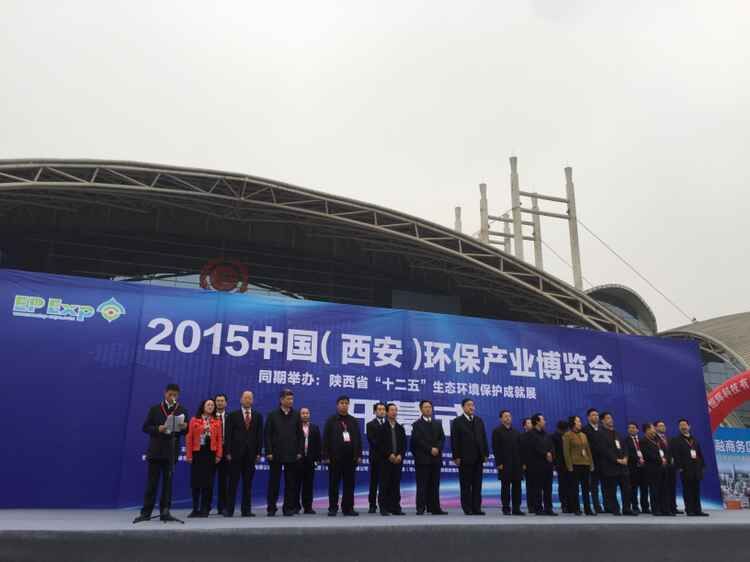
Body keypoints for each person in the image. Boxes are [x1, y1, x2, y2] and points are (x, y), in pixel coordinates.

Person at [133, 383, 188, 523]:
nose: (172, 397)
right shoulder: (155, 409)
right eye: (170, 394)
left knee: (168, 485)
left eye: (175, 395)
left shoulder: (181, 410)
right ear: (165, 393)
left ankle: (165, 512)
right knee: (152, 484)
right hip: (156, 451)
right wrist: (158, 428)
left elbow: (186, 431)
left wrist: (184, 427)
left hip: (171, 452)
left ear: (178, 395)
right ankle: (146, 512)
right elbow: (145, 427)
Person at [224, 390, 263, 517]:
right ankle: (229, 510)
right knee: (232, 483)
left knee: (248, 484)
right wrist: (228, 452)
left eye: (250, 398)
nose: (247, 400)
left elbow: (259, 436)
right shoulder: (233, 415)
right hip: (235, 454)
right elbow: (228, 435)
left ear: (252, 400)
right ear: (241, 400)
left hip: (251, 455)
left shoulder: (257, 416)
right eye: (245, 398)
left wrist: (258, 453)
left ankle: (246, 510)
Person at [265, 389, 303, 516]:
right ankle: (271, 508)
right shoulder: (272, 415)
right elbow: (267, 435)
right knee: (274, 483)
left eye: (292, 399)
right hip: (275, 454)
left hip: (292, 454)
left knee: (290, 483)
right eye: (288, 399)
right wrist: (269, 451)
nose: (291, 401)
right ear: (281, 400)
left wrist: (299, 451)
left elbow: (300, 435)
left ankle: (288, 508)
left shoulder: (296, 415)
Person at [322, 395, 362, 516]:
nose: (344, 405)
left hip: (350, 459)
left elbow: (358, 439)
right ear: (337, 405)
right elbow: (325, 439)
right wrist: (325, 456)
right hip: (335, 458)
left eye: (346, 403)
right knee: (334, 484)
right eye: (342, 403)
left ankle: (348, 508)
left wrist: (358, 455)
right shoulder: (331, 420)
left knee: (349, 485)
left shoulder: (353, 421)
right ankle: (332, 508)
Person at [185, 399, 223, 517]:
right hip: (197, 452)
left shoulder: (217, 421)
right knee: (196, 482)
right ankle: (195, 508)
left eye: (212, 405)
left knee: (208, 483)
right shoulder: (194, 420)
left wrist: (218, 455)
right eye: (208, 404)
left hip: (210, 453)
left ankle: (205, 508)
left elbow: (219, 440)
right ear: (203, 406)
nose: (210, 406)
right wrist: (189, 455)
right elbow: (189, 438)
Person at [451, 398, 489, 515]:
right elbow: (455, 440)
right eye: (468, 405)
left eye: (472, 405)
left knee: (477, 485)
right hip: (464, 458)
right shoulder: (457, 421)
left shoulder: (479, 420)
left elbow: (483, 438)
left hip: (478, 458)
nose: (471, 407)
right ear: (463, 407)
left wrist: (485, 454)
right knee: (466, 485)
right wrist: (456, 456)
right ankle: (467, 508)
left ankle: (477, 508)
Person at [411, 400, 447, 515]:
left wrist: (437, 448)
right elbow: (417, 441)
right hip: (423, 459)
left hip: (436, 459)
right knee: (422, 485)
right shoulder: (417, 424)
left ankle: (435, 508)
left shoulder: (437, 423)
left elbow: (442, 439)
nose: (428, 409)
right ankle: (420, 508)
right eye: (425, 407)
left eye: (430, 407)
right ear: (421, 409)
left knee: (435, 485)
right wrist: (430, 449)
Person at [599, 412, 636, 516]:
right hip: (611, 466)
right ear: (602, 421)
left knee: (627, 489)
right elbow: (604, 450)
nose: (610, 420)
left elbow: (624, 447)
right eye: (608, 418)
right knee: (612, 490)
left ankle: (627, 508)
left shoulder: (617, 433)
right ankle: (615, 508)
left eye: (611, 418)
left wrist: (626, 457)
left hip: (623, 467)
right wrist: (616, 460)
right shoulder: (601, 434)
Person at [670, 419, 708, 516]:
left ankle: (698, 510)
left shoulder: (694, 439)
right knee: (687, 490)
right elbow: (675, 455)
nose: (683, 427)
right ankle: (689, 509)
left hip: (696, 468)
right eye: (681, 425)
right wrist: (679, 467)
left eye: (685, 425)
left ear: (689, 426)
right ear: (679, 428)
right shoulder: (676, 440)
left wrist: (702, 465)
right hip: (685, 468)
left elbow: (699, 453)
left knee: (696, 490)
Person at [523, 413, 557, 516]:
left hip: (548, 465)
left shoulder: (546, 434)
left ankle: (548, 508)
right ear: (537, 422)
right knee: (537, 488)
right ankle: (538, 508)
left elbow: (551, 446)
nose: (545, 422)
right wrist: (545, 453)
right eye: (543, 420)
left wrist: (551, 453)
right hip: (536, 465)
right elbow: (534, 447)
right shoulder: (530, 434)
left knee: (548, 488)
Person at [375, 403, 406, 515]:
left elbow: (404, 444)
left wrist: (400, 455)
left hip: (397, 461)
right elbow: (379, 445)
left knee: (395, 484)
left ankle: (395, 507)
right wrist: (389, 455)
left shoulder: (400, 428)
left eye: (395, 410)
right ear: (387, 412)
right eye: (392, 410)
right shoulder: (382, 428)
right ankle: (384, 508)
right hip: (385, 460)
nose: (394, 412)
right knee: (384, 484)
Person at [492, 410, 524, 515]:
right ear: (501, 419)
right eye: (505, 416)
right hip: (504, 464)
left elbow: (520, 449)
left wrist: (522, 463)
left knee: (517, 487)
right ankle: (506, 508)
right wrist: (499, 463)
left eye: (509, 416)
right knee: (505, 487)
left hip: (517, 464)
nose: (508, 418)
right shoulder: (497, 431)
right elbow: (496, 448)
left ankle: (516, 508)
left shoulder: (516, 432)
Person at [562, 415, 594, 516]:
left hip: (585, 463)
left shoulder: (584, 435)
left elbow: (588, 450)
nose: (580, 423)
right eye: (578, 421)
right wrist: (569, 466)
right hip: (575, 465)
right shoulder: (567, 435)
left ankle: (588, 509)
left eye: (580, 421)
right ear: (573, 423)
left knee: (586, 488)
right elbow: (566, 452)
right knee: (575, 488)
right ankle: (576, 508)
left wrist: (591, 463)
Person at [296, 406, 321, 514]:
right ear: (299, 415)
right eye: (303, 413)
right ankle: (295, 506)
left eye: (307, 413)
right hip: (297, 460)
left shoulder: (315, 428)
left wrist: (317, 459)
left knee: (308, 485)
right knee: (296, 484)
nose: (305, 415)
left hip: (310, 460)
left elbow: (318, 444)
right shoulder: (295, 427)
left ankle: (308, 507)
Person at [641, 423, 670, 516]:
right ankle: (656, 509)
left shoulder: (657, 439)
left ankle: (665, 509)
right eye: (653, 428)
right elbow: (647, 454)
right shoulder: (643, 441)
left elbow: (664, 451)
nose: (654, 430)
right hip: (652, 468)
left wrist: (665, 459)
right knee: (654, 489)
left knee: (664, 489)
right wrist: (660, 460)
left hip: (662, 467)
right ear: (647, 430)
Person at [582, 408, 606, 513]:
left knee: (605, 485)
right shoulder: (585, 430)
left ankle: (607, 505)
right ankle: (597, 506)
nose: (596, 417)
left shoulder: (602, 429)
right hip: (592, 461)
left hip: (604, 461)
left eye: (597, 415)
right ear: (588, 417)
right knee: (594, 485)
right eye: (593, 415)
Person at [655, 420, 680, 515]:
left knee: (672, 487)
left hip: (671, 466)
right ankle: (663, 507)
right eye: (660, 426)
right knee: (663, 488)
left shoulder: (669, 438)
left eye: (663, 425)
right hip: (661, 466)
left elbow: (673, 451)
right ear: (656, 428)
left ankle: (673, 507)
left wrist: (673, 459)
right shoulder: (654, 439)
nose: (663, 427)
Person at [366, 402, 387, 513]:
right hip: (376, 458)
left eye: (383, 409)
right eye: (379, 409)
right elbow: (373, 441)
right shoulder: (370, 425)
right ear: (375, 411)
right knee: (374, 482)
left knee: (385, 483)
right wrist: (386, 450)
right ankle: (372, 505)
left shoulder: (389, 424)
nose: (382, 411)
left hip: (388, 458)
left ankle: (384, 504)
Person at [625, 422, 650, 514]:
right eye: (629, 428)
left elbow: (647, 452)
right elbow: (627, 453)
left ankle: (645, 507)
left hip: (644, 468)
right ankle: (635, 506)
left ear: (637, 430)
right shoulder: (626, 441)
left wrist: (644, 459)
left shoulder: (643, 440)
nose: (631, 429)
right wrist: (638, 459)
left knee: (644, 488)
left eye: (633, 427)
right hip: (633, 467)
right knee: (633, 489)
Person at [213, 393, 230, 515]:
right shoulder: (209, 417)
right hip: (212, 451)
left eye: (222, 401)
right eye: (218, 401)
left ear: (226, 403)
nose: (219, 403)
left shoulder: (231, 417)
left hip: (226, 451)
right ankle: (205, 507)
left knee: (224, 480)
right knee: (208, 480)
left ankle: (223, 506)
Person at [551, 420, 572, 513]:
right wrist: (555, 465)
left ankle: (570, 504)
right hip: (560, 464)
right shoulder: (554, 436)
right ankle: (564, 504)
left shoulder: (569, 436)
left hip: (570, 463)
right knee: (563, 485)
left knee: (570, 485)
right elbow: (554, 451)